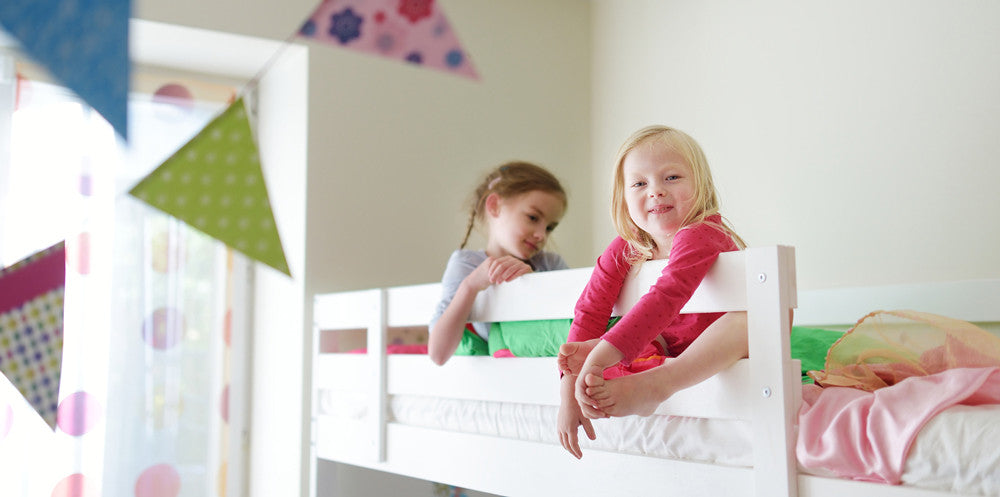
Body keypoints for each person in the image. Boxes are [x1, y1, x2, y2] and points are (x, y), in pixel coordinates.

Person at [556, 125, 749, 459]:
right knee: (627, 333)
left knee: (752, 321)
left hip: (716, 350)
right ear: (624, 197)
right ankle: (634, 365)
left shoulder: (702, 233)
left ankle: (658, 383)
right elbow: (590, 311)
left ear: (700, 184)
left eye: (671, 177)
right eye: (640, 183)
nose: (656, 191)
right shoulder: (626, 248)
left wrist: (601, 355)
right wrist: (569, 391)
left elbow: (666, 297)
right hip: (666, 347)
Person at [428, 161, 569, 366]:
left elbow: (573, 322)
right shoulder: (467, 264)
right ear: (494, 206)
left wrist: (534, 282)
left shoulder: (550, 264)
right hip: (506, 369)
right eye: (532, 217)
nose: (541, 235)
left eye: (549, 228)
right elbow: (438, 354)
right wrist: (471, 285)